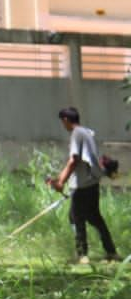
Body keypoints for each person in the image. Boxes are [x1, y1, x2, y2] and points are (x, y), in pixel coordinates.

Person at [48, 107, 118, 264]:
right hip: (92, 183)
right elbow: (75, 163)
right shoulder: (87, 132)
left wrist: (61, 182)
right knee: (94, 218)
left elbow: (74, 160)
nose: (63, 125)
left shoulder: (76, 134)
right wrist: (59, 179)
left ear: (66, 120)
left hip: (81, 186)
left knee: (76, 218)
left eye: (62, 122)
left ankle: (82, 255)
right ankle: (111, 252)